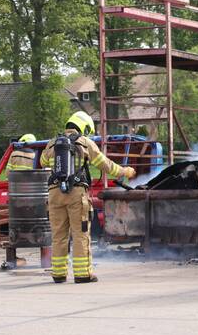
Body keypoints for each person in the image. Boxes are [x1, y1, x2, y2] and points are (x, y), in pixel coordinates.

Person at [40, 111, 135, 284]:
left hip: (54, 194)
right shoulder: (85, 143)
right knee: (80, 233)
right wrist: (125, 171)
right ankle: (83, 274)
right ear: (83, 126)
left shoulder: (53, 143)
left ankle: (59, 274)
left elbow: (42, 162)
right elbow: (105, 165)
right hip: (76, 193)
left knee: (58, 235)